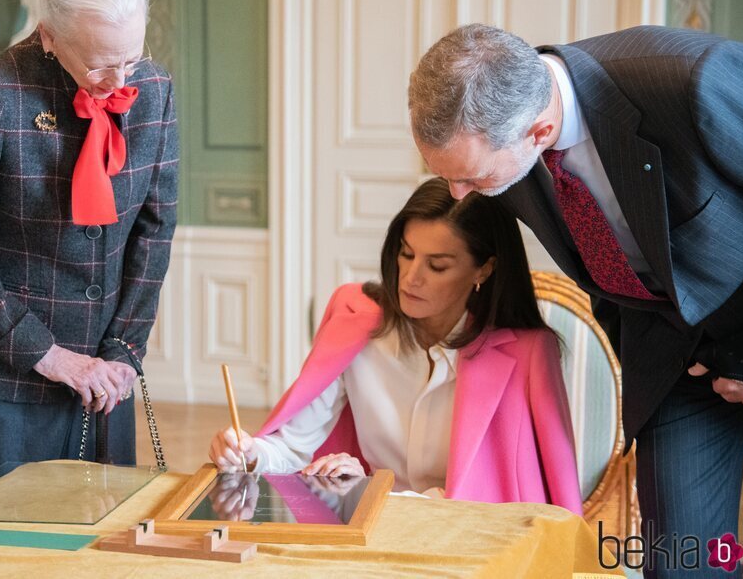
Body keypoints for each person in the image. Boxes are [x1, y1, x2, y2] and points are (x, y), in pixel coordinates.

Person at [409, 24, 743, 577]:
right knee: (681, 563)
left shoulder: (696, 81)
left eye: (471, 178)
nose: (459, 195)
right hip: (674, 352)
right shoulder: (505, 147)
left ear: (541, 129)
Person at [0, 0, 178, 502]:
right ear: (48, 35)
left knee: (101, 551)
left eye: (130, 59)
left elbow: (155, 232)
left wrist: (121, 354)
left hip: (103, 388)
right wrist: (54, 358)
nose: (118, 81)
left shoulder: (156, 92)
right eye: (98, 63)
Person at [209, 178, 583, 515]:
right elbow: (293, 447)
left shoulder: (528, 353)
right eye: (406, 254)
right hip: (370, 533)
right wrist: (248, 454)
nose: (411, 278)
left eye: (437, 266)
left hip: (467, 547)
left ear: (483, 270)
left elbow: (529, 500)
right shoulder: (354, 321)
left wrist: (370, 492)